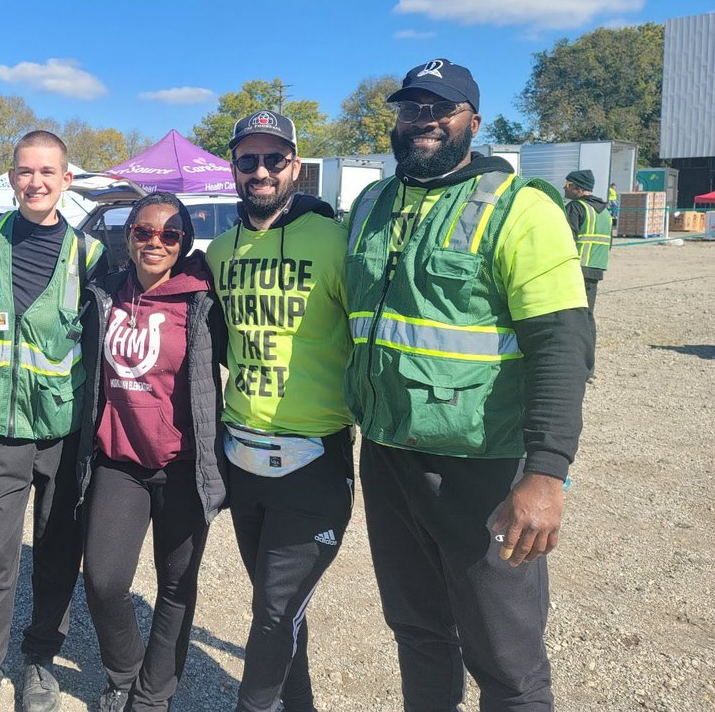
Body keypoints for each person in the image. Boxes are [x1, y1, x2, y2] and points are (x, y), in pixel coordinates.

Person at [343, 59, 591, 711]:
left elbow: (562, 344)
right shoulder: (370, 205)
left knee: (507, 661)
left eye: (440, 109)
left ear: (473, 123)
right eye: (411, 108)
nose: (422, 120)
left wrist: (547, 474)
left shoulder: (520, 208)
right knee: (418, 632)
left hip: (482, 469)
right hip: (389, 457)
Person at [205, 111, 353, 712]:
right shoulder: (220, 251)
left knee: (273, 610)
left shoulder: (336, 242)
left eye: (274, 159)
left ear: (296, 165)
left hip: (313, 458)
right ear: (234, 169)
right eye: (248, 160)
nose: (261, 171)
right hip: (242, 457)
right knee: (280, 609)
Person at [0, 130, 106, 712]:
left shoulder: (89, 254)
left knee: (56, 551)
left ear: (67, 179)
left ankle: (40, 659)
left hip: (64, 433)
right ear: (11, 176)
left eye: (47, 172)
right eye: (25, 171)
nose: (35, 182)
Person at [76, 192, 227, 712]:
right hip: (120, 461)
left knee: (176, 587)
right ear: (128, 236)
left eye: (169, 234)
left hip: (183, 466)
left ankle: (152, 695)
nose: (155, 242)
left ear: (184, 242)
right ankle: (124, 672)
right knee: (103, 580)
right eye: (143, 231)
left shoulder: (202, 301)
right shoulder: (105, 293)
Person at [564, 169, 612, 380]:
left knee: (570, 318)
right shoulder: (605, 212)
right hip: (595, 270)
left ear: (578, 188)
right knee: (587, 317)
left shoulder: (576, 208)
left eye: (568, 185)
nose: (565, 188)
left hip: (575, 269)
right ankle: (588, 368)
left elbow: (565, 240)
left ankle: (572, 366)